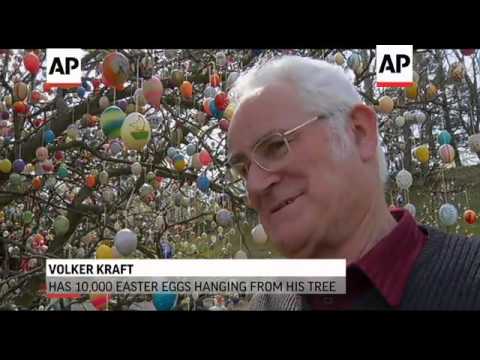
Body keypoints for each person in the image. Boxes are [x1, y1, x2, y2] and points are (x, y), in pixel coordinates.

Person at [226, 55, 480, 310]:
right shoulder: (267, 304)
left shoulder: (469, 279)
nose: (254, 186)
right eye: (243, 170)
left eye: (275, 146)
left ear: (359, 133)